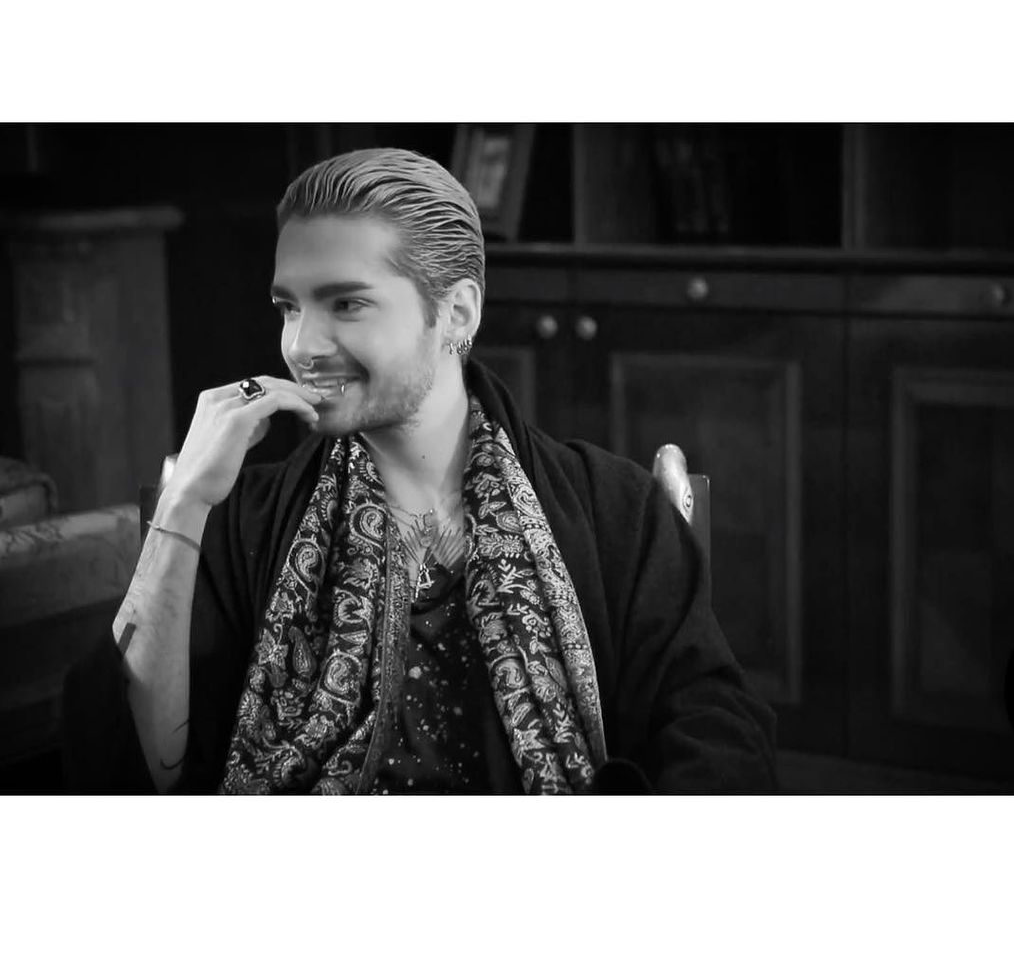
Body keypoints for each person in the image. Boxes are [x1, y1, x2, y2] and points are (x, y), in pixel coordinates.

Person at [62, 147, 777, 794]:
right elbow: (127, 772)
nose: (301, 345)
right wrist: (183, 506)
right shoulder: (241, 522)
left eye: (346, 303)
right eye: (288, 307)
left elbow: (717, 729)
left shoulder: (614, 510)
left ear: (456, 312)